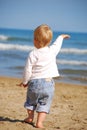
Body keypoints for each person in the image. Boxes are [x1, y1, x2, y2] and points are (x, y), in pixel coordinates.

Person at [18, 24, 70, 128]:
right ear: (49, 41)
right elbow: (57, 45)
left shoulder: (32, 54)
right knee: (44, 104)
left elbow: (27, 70)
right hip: (48, 84)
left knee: (31, 102)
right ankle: (39, 123)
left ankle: (30, 118)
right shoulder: (52, 51)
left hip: (34, 83)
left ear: (36, 40)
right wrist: (61, 37)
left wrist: (24, 82)